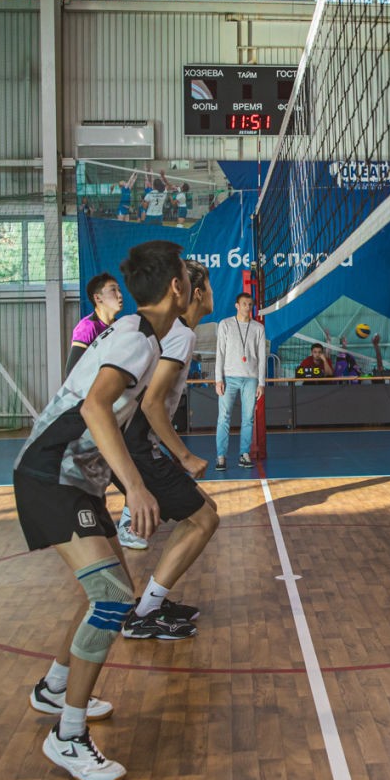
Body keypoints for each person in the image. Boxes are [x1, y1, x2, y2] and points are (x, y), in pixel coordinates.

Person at [14, 239, 190, 780]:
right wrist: (135, 488)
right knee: (112, 598)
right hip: (50, 473)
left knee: (109, 590)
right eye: (188, 276)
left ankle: (54, 687)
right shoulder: (136, 339)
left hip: (73, 476)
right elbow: (94, 406)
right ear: (177, 287)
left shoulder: (141, 334)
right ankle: (68, 736)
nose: (193, 283)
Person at [110, 261, 220, 615]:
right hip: (136, 446)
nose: (213, 294)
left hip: (132, 442)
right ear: (197, 293)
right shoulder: (181, 334)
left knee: (204, 512)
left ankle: (149, 602)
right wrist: (184, 456)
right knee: (205, 519)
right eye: (210, 288)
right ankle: (146, 611)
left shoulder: (169, 331)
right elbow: (151, 403)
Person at [213, 292, 267, 470]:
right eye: (244, 304)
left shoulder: (258, 328)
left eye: (250, 304)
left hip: (250, 379)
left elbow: (262, 357)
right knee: (223, 418)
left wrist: (261, 383)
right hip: (229, 378)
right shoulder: (225, 324)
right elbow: (220, 353)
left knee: (248, 418)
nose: (247, 307)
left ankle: (244, 454)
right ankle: (221, 456)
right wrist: (218, 379)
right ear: (237, 305)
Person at [67, 272, 124, 375]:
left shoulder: (120, 327)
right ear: (97, 298)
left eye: (119, 290)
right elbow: (71, 372)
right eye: (113, 290)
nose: (120, 295)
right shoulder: (86, 328)